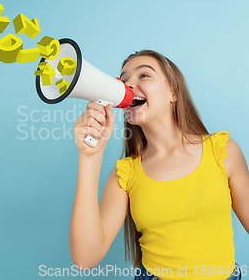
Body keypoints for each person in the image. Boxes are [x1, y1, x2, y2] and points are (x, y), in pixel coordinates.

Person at [69, 50, 249, 280]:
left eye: (144, 75)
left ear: (173, 92)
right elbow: (85, 258)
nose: (128, 86)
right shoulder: (125, 175)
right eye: (123, 81)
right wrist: (89, 157)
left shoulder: (223, 151)